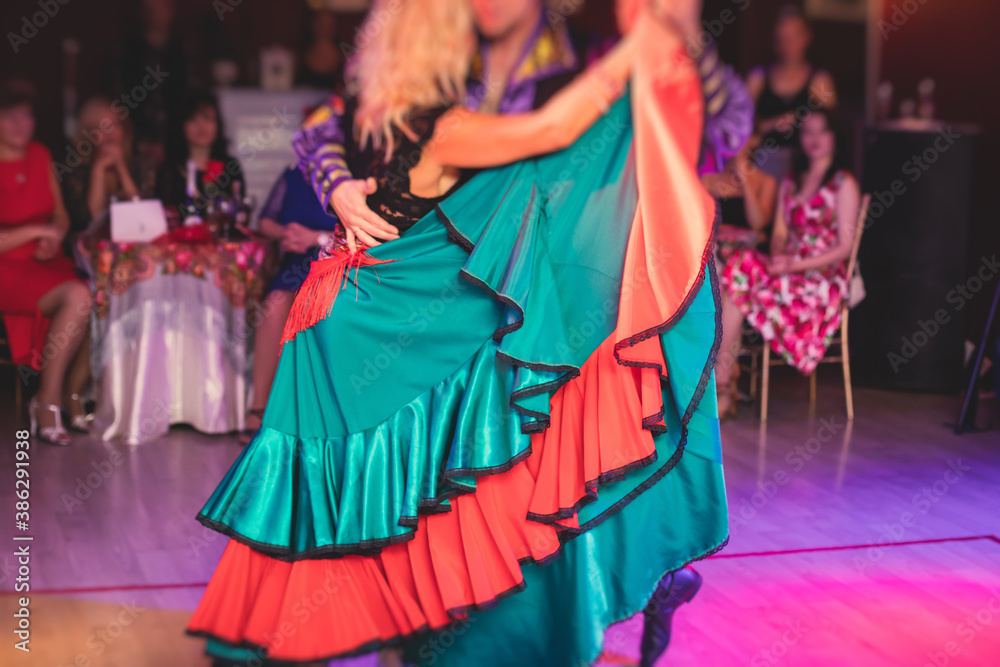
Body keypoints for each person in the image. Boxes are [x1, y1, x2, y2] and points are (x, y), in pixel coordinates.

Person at [186, 1, 726, 666]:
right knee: (429, 470)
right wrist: (636, 53)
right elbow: (554, 127)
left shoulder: (425, 113)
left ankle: (292, 632)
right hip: (362, 317)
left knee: (361, 480)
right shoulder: (449, 125)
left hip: (343, 311)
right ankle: (313, 630)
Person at [715, 108, 859, 417]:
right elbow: (779, 232)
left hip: (820, 277)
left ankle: (721, 385)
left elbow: (844, 247)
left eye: (822, 131)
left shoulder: (843, 182)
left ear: (835, 137)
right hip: (787, 268)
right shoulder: (792, 181)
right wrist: (780, 254)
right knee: (737, 270)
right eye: (808, 131)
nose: (814, 138)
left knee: (737, 282)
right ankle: (723, 383)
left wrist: (794, 266)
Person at [0, 79, 93, 446]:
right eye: (9, 118)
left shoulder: (39, 154)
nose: (21, 125)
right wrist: (35, 233)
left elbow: (61, 215)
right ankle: (46, 401)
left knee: (100, 289)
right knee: (78, 296)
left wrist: (52, 235)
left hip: (44, 261)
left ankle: (74, 393)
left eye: (27, 116)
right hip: (6, 270)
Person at [239, 166, 341, 444]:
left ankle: (308, 413)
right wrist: (289, 233)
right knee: (274, 303)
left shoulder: (352, 176)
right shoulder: (294, 175)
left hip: (332, 260)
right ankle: (259, 406)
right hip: (295, 263)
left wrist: (314, 236)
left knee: (317, 309)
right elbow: (264, 222)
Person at [746, 3, 837, 180]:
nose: (787, 45)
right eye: (781, 39)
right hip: (764, 161)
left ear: (806, 37)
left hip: (805, 163)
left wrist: (800, 118)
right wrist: (771, 124)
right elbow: (740, 128)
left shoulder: (819, 80)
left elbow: (833, 132)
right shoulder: (757, 77)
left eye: (792, 38)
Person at [61, 97, 142, 237]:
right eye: (101, 127)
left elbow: (141, 215)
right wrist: (98, 168)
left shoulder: (141, 164)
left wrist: (120, 166)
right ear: (89, 135)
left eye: (115, 125)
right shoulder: (75, 170)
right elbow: (92, 220)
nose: (110, 134)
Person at [155, 91, 244, 209]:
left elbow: (239, 211)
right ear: (182, 126)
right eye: (193, 120)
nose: (201, 127)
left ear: (217, 124)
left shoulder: (230, 167)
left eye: (208, 119)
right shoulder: (169, 170)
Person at [703, 135, 778, 262]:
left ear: (754, 140)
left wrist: (744, 179)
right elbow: (699, 223)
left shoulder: (766, 181)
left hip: (746, 257)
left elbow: (758, 224)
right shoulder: (708, 179)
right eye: (727, 134)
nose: (732, 141)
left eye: (739, 135)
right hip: (713, 252)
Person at [296, 9, 344, 90]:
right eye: (321, 24)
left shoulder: (345, 58)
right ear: (312, 24)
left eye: (328, 25)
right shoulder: (299, 57)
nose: (324, 29)